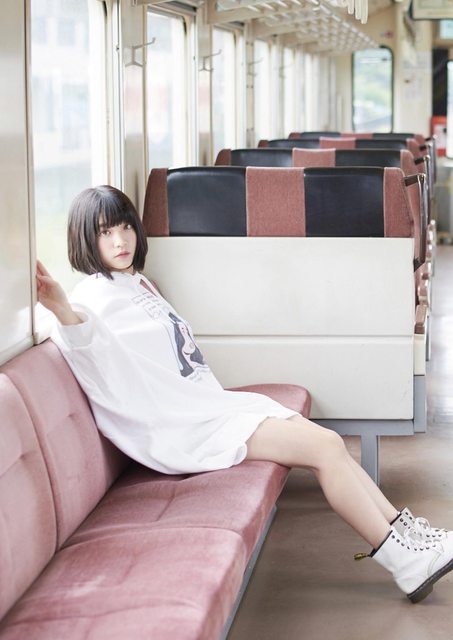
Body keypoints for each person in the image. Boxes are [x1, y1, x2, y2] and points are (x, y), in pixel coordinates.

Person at [37, 184, 453, 604]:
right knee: (325, 448)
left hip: (203, 407)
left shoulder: (134, 283)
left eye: (125, 227)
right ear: (85, 240)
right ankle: (405, 562)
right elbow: (88, 346)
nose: (119, 240)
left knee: (326, 441)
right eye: (105, 232)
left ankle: (408, 535)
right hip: (180, 428)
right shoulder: (95, 295)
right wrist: (60, 308)